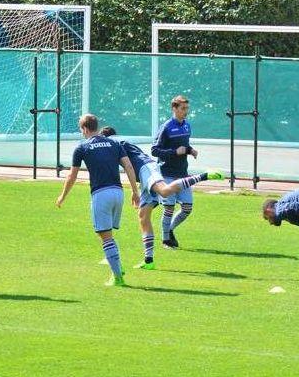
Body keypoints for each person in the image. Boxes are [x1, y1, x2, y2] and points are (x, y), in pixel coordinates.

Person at [100, 126, 223, 270]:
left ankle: (204, 175)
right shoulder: (120, 142)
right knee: (143, 215)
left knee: (164, 191)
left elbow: (128, 167)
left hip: (146, 169)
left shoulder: (113, 143)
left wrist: (134, 191)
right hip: (146, 170)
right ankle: (149, 260)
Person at [56, 115, 140, 286]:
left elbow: (72, 175)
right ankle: (117, 266)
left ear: (85, 129)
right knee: (108, 234)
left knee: (105, 236)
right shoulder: (114, 144)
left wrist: (62, 196)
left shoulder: (82, 147)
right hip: (118, 193)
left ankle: (118, 277)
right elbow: (129, 166)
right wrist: (134, 191)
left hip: (101, 194)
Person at [152, 95, 199, 249]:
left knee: (187, 208)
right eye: (182, 108)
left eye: (187, 109)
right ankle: (166, 240)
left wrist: (190, 150)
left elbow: (184, 146)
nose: (186, 112)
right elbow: (155, 150)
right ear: (174, 108)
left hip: (182, 173)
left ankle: (170, 229)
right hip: (167, 174)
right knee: (169, 208)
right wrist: (174, 152)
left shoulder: (187, 126)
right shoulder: (166, 127)